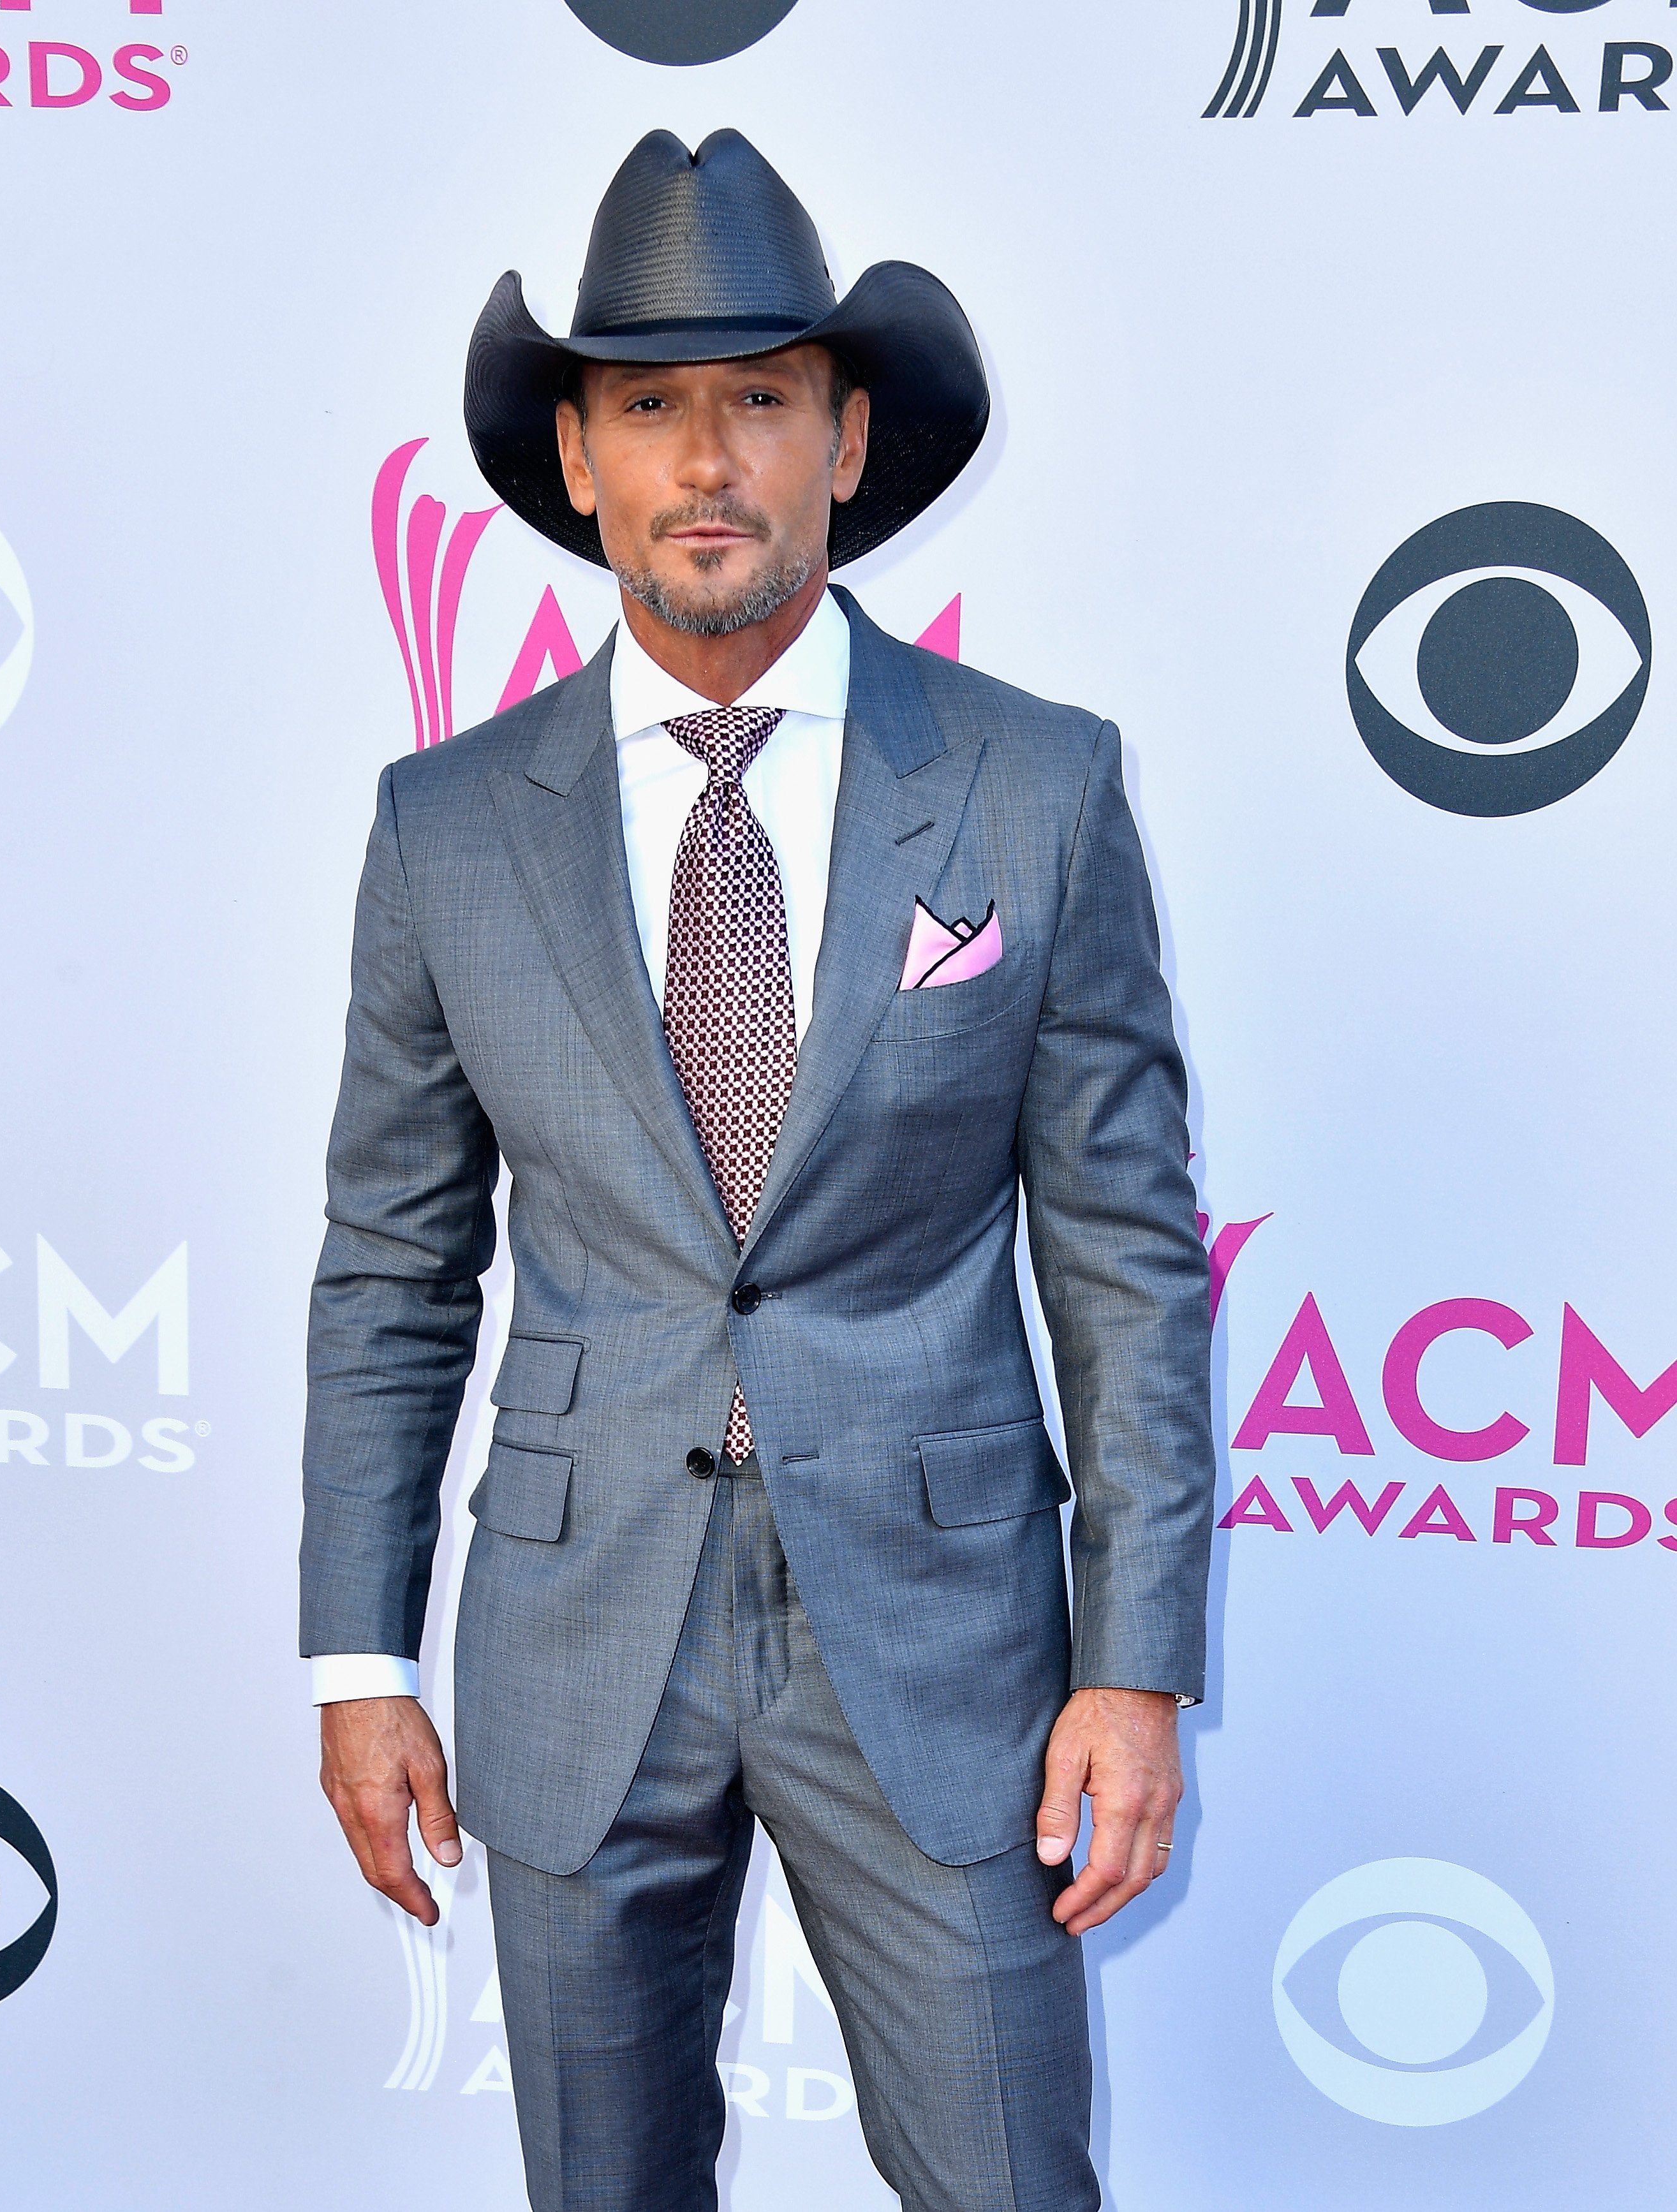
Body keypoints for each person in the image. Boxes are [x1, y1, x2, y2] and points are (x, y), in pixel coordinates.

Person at [301, 128, 1214, 2212]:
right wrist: (358, 1661)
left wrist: (1132, 1658)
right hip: (568, 1623)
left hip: (945, 1631)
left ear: (847, 437)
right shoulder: (443, 824)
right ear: (578, 461)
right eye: (648, 407)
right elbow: (392, 1260)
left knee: (1004, 2185)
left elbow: (1124, 1257)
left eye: (761, 399)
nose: (706, 461)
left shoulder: (1035, 781)